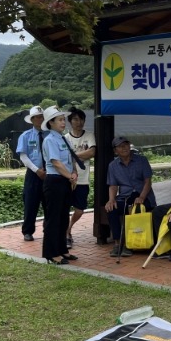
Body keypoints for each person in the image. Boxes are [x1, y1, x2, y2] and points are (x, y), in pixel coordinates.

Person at [104, 136, 156, 258]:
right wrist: (111, 199)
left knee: (133, 208)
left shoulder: (142, 160)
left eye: (126, 145)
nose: (124, 148)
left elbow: (147, 181)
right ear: (115, 151)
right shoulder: (113, 165)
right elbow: (112, 185)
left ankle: (129, 244)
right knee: (112, 209)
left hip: (143, 195)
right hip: (125, 196)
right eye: (120, 146)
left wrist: (142, 197)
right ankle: (117, 243)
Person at [40, 106, 78, 264]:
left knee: (63, 218)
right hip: (55, 181)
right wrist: (70, 176)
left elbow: (71, 159)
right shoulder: (50, 140)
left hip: (65, 180)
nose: (64, 122)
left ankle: (62, 249)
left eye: (64, 119)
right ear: (51, 123)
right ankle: (51, 253)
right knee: (53, 219)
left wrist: (74, 173)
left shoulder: (63, 138)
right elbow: (56, 163)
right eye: (60, 120)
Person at [64, 107, 96, 249]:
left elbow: (92, 152)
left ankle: (69, 228)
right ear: (70, 121)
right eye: (75, 119)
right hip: (67, 178)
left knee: (80, 209)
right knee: (64, 208)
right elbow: (63, 157)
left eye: (81, 119)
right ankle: (66, 234)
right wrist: (83, 154)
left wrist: (73, 155)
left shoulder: (89, 135)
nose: (79, 122)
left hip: (82, 179)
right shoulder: (65, 138)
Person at [16, 106, 45, 242]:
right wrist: (37, 170)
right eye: (37, 117)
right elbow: (23, 156)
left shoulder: (50, 135)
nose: (40, 119)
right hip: (34, 174)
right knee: (30, 204)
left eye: (42, 117)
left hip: (49, 174)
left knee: (49, 204)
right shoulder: (26, 136)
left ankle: (48, 229)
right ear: (32, 120)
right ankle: (28, 231)